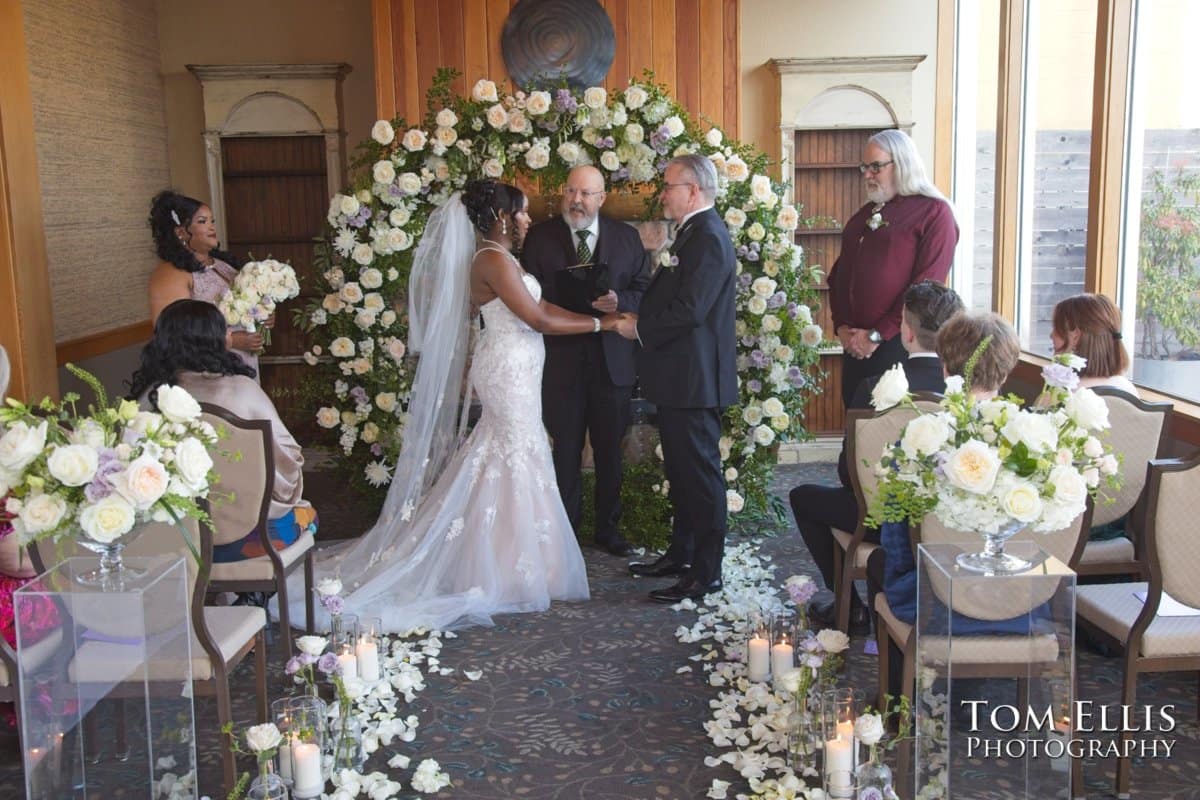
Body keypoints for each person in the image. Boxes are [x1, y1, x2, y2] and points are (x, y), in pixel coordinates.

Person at [289, 180, 618, 631]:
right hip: (506, 369)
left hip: (518, 365)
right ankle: (505, 568)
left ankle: (519, 561)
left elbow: (542, 308)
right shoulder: (491, 259)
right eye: (521, 212)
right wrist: (602, 326)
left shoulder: (502, 259)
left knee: (509, 451)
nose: (527, 219)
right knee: (516, 449)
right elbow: (537, 318)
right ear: (502, 217)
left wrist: (600, 321)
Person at [791, 281, 963, 633]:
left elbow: (847, 473)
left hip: (879, 519)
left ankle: (850, 606)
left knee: (802, 497)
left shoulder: (874, 387)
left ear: (907, 332)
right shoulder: (967, 389)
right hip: (953, 521)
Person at [866, 311, 1021, 695]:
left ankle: (896, 692)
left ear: (945, 363)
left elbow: (899, 541)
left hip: (933, 603)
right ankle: (970, 694)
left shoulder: (923, 437)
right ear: (1007, 369)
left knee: (879, 563)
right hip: (1019, 603)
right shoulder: (1032, 439)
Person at [614, 155, 737, 603]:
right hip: (680, 376)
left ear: (694, 190)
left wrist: (639, 328)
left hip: (695, 379)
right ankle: (682, 554)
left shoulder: (708, 237)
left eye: (668, 186)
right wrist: (637, 312)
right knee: (683, 473)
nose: (662, 193)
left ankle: (706, 573)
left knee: (701, 476)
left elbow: (692, 309)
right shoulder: (693, 233)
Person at [521, 165, 651, 558]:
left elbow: (646, 291)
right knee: (564, 450)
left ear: (602, 198)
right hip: (560, 361)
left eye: (586, 193)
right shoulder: (540, 238)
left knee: (611, 450)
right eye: (571, 192)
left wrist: (619, 302)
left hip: (614, 364)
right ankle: (566, 531)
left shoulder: (627, 238)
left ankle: (608, 531)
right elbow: (527, 294)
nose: (577, 200)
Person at [127, 299, 317, 563]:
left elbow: (128, 464)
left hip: (173, 539)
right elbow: (287, 462)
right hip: (255, 536)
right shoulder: (244, 390)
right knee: (306, 517)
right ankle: (254, 593)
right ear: (217, 339)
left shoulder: (150, 398)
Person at [827, 129, 959, 408]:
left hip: (898, 346)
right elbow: (837, 277)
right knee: (855, 430)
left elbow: (925, 290)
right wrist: (841, 326)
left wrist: (877, 334)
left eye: (876, 166)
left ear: (903, 163)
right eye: (865, 167)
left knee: (887, 436)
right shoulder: (863, 216)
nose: (867, 174)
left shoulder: (935, 213)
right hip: (854, 347)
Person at [146, 190, 266, 377]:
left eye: (212, 221)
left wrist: (262, 314)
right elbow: (173, 335)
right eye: (202, 222)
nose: (211, 228)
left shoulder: (224, 266)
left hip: (243, 362)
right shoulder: (170, 274)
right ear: (180, 232)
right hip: (207, 372)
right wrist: (231, 341)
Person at [1050, 293, 1138, 396]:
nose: (1051, 335)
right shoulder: (1129, 390)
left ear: (1075, 336)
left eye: (1056, 328)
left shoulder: (1063, 395)